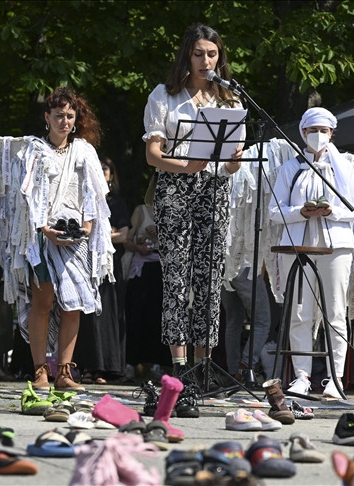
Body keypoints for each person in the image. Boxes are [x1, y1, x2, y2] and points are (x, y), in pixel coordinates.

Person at [143, 23, 243, 376]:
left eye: (212, 54)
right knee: (176, 279)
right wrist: (183, 166)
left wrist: (233, 160)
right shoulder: (165, 95)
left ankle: (204, 367)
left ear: (220, 57)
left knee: (210, 278)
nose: (205, 61)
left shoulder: (228, 99)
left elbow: (231, 165)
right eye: (199, 53)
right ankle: (179, 366)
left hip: (214, 191)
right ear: (188, 54)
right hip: (175, 189)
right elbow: (152, 155)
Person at [268, 107, 354, 399]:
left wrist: (332, 210)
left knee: (335, 312)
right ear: (302, 133)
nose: (318, 136)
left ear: (332, 133)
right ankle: (301, 376)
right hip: (297, 247)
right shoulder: (290, 168)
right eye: (312, 130)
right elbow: (275, 212)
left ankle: (335, 378)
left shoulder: (344, 167)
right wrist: (302, 212)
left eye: (324, 130)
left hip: (336, 246)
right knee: (300, 311)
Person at [26, 87, 109, 391]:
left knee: (72, 305)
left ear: (76, 120)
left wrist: (87, 226)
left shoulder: (84, 150)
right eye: (58, 115)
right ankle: (39, 371)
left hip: (76, 239)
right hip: (42, 237)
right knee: (44, 301)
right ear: (46, 117)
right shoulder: (34, 150)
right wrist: (45, 229)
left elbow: (94, 194)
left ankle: (64, 372)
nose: (64, 120)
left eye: (69, 115)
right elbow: (28, 197)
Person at [73, 158, 130, 383]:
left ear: (111, 175)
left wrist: (98, 233)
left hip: (108, 265)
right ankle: (86, 367)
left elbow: (124, 236)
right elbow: (81, 231)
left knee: (107, 313)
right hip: (86, 260)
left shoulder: (117, 203)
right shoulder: (83, 200)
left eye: (106, 167)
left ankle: (105, 368)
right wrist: (108, 233)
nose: (102, 170)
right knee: (86, 315)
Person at [122, 202, 169, 379]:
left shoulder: (170, 209)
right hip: (141, 269)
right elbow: (127, 239)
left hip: (162, 268)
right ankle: (130, 364)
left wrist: (161, 233)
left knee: (158, 317)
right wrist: (138, 246)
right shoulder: (140, 210)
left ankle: (158, 364)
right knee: (135, 315)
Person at [221, 266, 271, 383]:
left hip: (225, 266)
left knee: (233, 322)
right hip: (246, 265)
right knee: (262, 321)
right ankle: (245, 368)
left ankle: (234, 372)